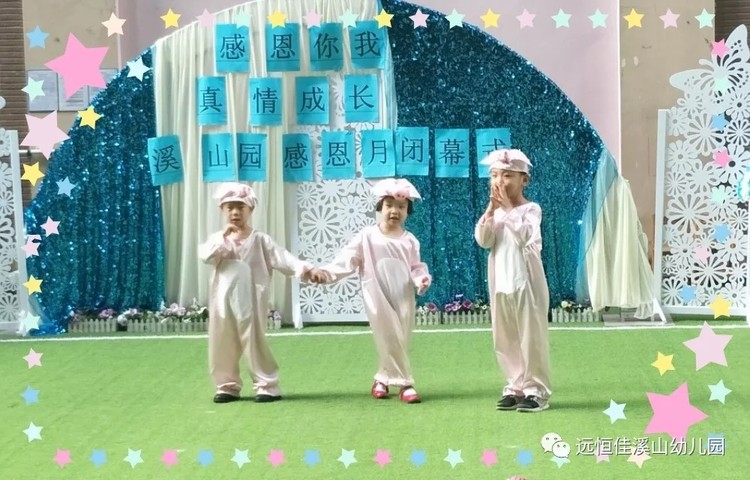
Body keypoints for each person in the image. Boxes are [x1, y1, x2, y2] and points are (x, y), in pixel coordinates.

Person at [310, 178, 431, 403]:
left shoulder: (410, 241)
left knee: (400, 338)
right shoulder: (368, 236)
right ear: (380, 207)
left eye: (401, 207)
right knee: (388, 336)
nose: (394, 211)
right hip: (377, 295)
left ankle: (382, 378)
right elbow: (347, 259)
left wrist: (421, 279)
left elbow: (416, 267)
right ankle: (405, 383)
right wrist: (326, 273)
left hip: (402, 296)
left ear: (408, 211)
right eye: (389, 205)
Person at [198, 182, 319, 404]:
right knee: (222, 340)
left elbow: (282, 257)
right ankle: (226, 386)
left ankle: (266, 385)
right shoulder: (218, 240)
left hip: (251, 299)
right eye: (230, 207)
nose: (235, 213)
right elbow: (206, 256)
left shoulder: (260, 240)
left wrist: (305, 269)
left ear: (250, 209)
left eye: (240, 207)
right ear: (222, 210)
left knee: (254, 340)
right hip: (222, 299)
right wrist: (224, 236)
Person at [474, 149, 552, 412]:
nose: (500, 181)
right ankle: (515, 385)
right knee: (505, 336)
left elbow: (525, 237)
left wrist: (507, 208)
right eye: (495, 176)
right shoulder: (496, 213)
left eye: (507, 175)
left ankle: (536, 390)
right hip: (502, 283)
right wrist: (491, 210)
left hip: (526, 283)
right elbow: (484, 240)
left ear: (524, 180)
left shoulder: (531, 210)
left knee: (531, 337)